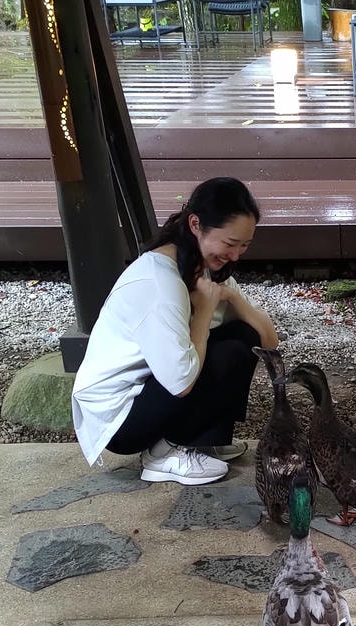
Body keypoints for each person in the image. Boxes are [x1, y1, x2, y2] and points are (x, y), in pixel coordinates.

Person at [71, 177, 279, 486]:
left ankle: (201, 441)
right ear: (196, 224)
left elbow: (269, 343)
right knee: (228, 352)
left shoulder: (201, 265)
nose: (235, 256)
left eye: (244, 246)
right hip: (121, 418)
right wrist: (205, 313)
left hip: (153, 388)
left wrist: (233, 298)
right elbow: (180, 382)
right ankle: (165, 452)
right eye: (230, 244)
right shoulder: (159, 282)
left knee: (245, 338)